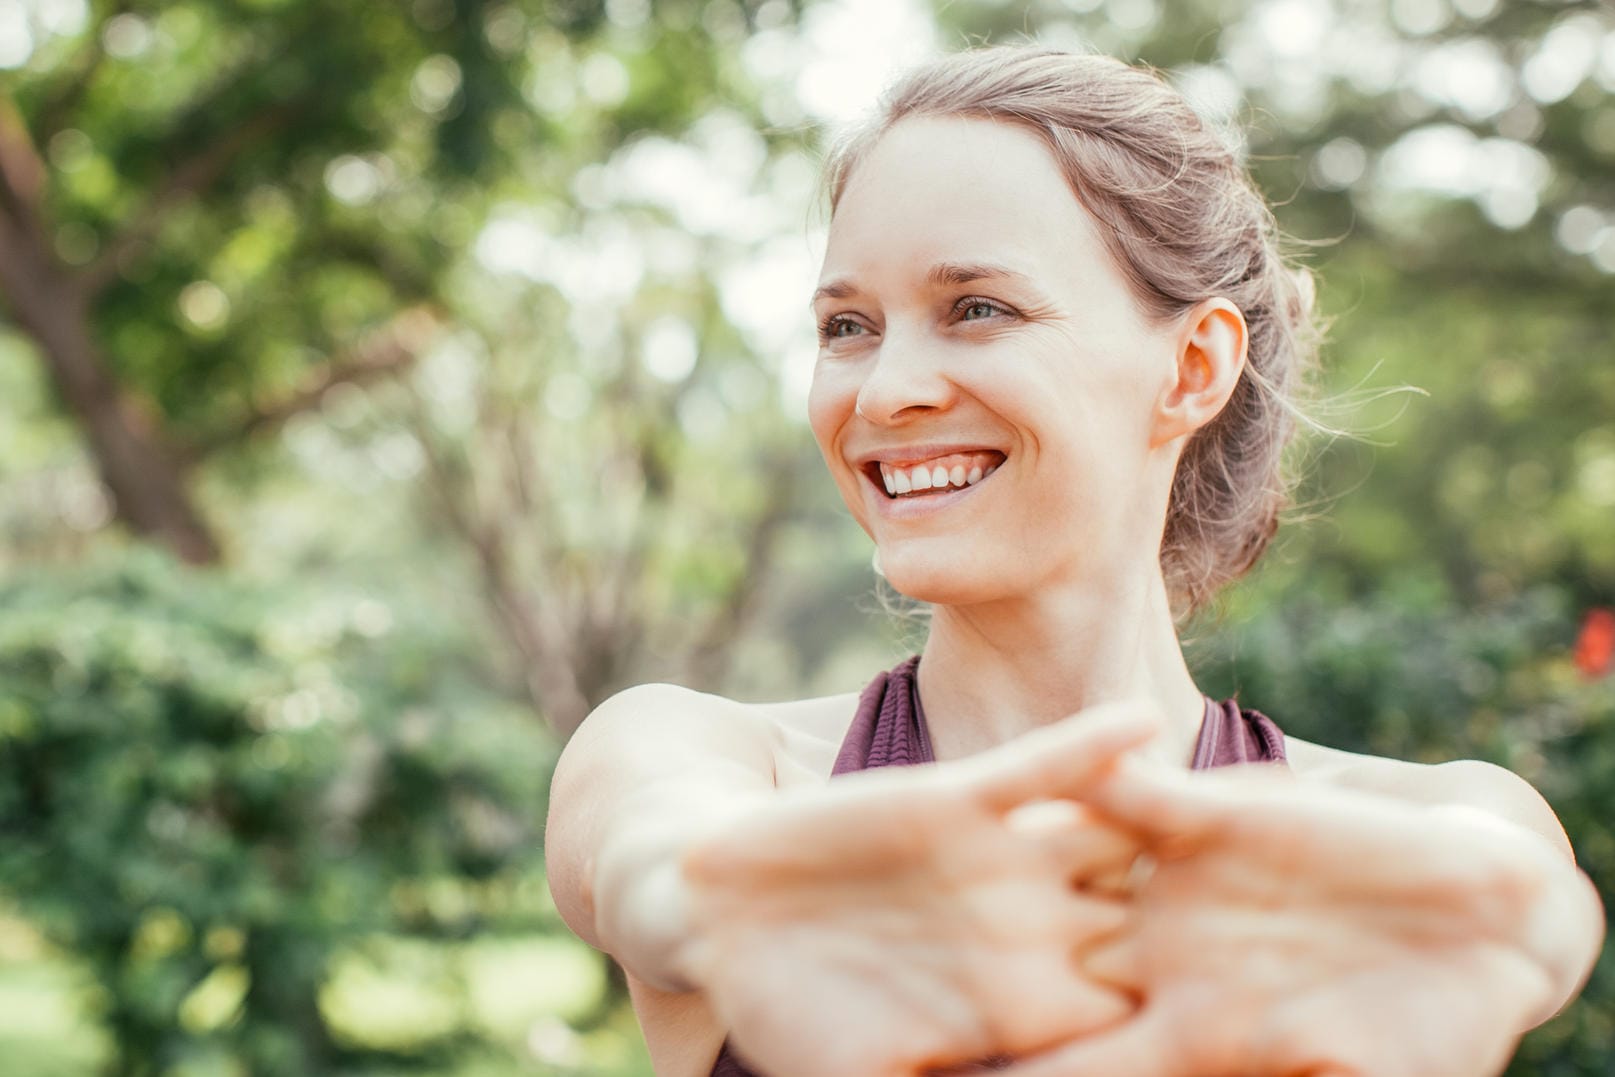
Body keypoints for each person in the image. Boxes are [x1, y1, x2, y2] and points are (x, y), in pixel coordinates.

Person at [546, 46, 1604, 1077]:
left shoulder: (1389, 835)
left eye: (978, 308)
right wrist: (751, 894)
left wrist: (1522, 920)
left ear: (1192, 367)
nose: (880, 394)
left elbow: (1509, 885)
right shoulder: (715, 764)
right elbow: (651, 858)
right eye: (848, 326)